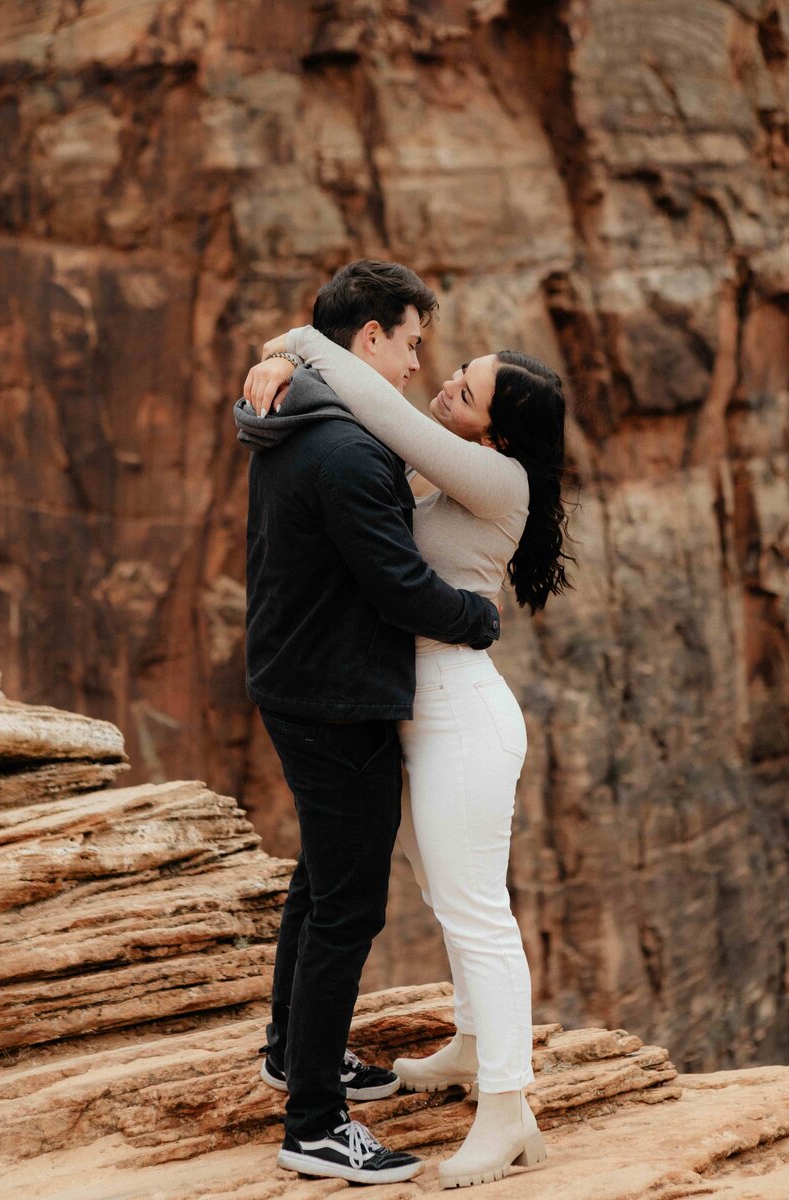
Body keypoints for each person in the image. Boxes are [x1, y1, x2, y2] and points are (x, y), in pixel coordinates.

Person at [244, 307, 574, 1190]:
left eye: (463, 391)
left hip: (462, 716)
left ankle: (508, 1111)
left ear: (495, 431)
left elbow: (384, 417)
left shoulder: (497, 478)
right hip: (421, 715)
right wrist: (287, 367)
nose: (441, 385)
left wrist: (297, 346)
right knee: (443, 892)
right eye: (451, 369)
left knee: (476, 913)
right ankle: (472, 1047)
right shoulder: (463, 474)